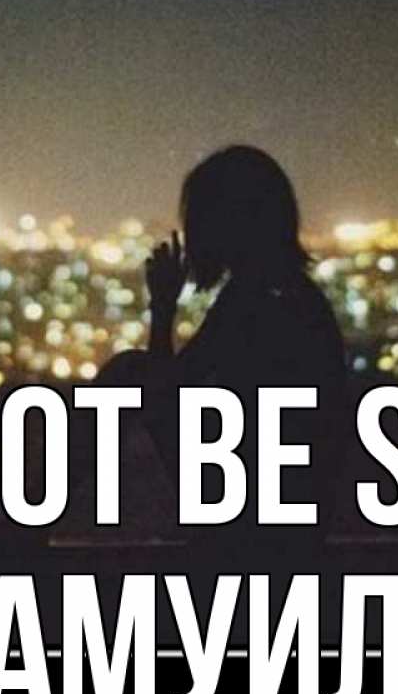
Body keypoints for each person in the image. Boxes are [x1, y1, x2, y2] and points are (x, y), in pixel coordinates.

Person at [88, 144, 349, 528]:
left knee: (127, 373)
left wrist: (163, 310)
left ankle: (35, 513)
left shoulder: (254, 299)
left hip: (250, 512)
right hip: (287, 513)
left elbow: (166, 385)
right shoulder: (290, 293)